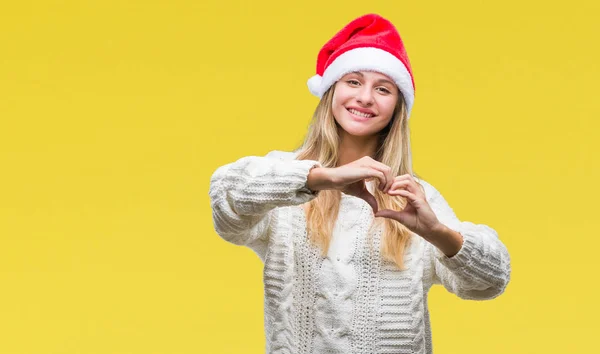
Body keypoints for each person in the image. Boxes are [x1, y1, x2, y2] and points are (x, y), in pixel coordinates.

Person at [208, 13, 511, 354]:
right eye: (353, 82)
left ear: (397, 107)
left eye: (383, 89)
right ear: (331, 90)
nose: (366, 97)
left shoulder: (412, 198)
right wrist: (324, 177)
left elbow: (491, 281)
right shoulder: (284, 178)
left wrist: (435, 231)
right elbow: (226, 197)